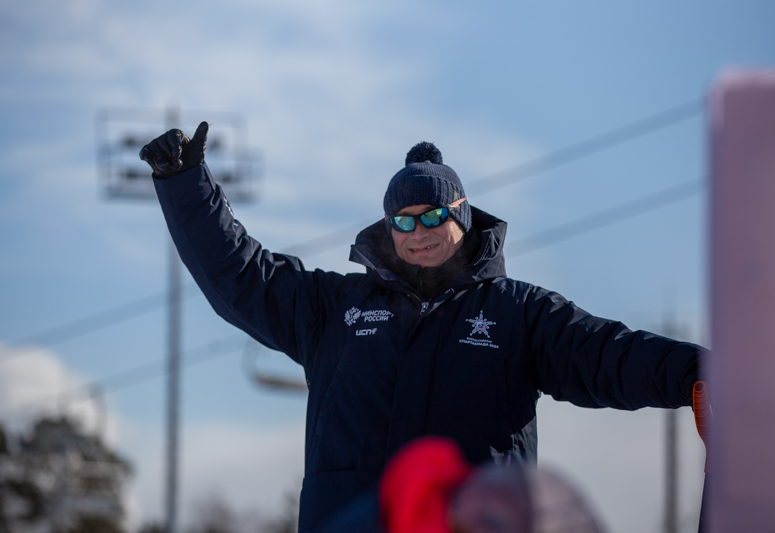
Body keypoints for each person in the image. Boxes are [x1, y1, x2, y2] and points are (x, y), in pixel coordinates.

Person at [140, 122, 703, 532]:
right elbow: (242, 275)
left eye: (433, 216)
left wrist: (697, 373)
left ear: (461, 216)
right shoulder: (334, 309)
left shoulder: (516, 314)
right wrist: (185, 183)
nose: (419, 232)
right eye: (403, 221)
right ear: (388, 228)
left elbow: (606, 354)